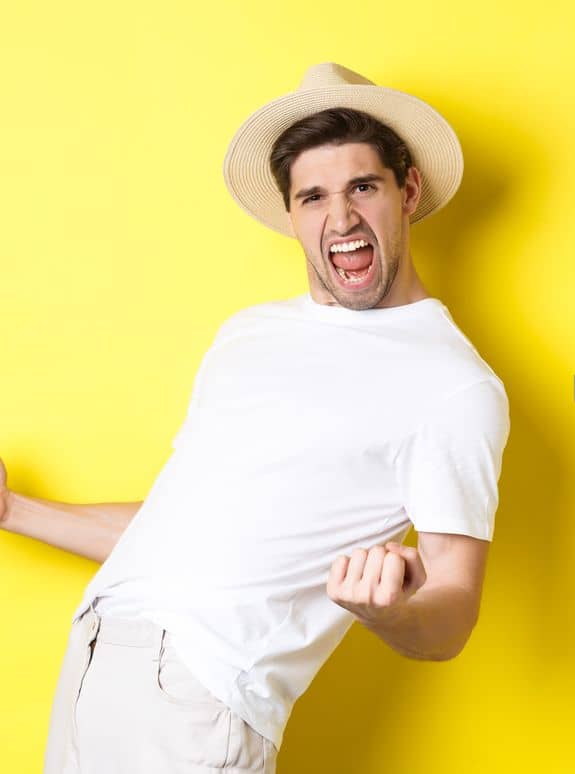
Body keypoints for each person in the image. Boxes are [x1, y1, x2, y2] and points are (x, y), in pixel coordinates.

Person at [0, 62, 511, 773]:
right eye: (314, 196)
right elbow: (180, 527)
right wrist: (14, 510)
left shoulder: (452, 383)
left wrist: (385, 611)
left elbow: (454, 605)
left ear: (408, 191)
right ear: (292, 213)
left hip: (200, 702)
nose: (341, 219)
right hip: (94, 664)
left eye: (363, 186)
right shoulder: (248, 334)